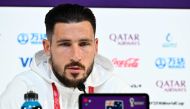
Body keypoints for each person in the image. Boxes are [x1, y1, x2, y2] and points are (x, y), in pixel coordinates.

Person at [0, 3, 127, 109]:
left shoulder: (116, 90)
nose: (76, 56)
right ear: (47, 47)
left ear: (96, 46)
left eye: (84, 44)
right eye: (65, 44)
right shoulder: (23, 89)